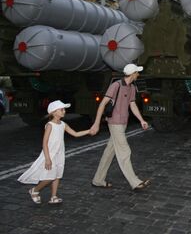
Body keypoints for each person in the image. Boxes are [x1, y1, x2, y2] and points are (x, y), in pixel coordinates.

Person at [89, 63, 151, 191]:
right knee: (125, 151)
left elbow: (132, 105)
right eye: (137, 72)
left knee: (109, 152)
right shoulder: (116, 86)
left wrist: (141, 120)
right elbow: (102, 104)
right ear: (133, 74)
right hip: (114, 123)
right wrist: (96, 123)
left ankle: (98, 180)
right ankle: (135, 182)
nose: (138, 75)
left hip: (123, 123)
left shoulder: (132, 87)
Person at [18, 100, 91, 204]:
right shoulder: (50, 125)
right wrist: (47, 158)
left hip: (59, 154)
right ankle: (34, 190)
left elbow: (75, 133)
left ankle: (54, 196)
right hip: (50, 154)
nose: (64, 111)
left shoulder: (63, 124)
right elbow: (45, 143)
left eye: (64, 109)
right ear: (53, 112)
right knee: (49, 177)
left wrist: (88, 131)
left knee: (57, 175)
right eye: (61, 109)